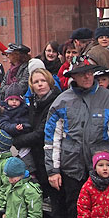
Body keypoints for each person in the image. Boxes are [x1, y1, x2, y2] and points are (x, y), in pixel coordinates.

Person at [45, 61, 109, 217]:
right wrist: (53, 171)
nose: (87, 77)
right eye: (81, 74)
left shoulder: (106, 97)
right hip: (72, 169)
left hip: (102, 167)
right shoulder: (61, 101)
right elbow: (52, 140)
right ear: (73, 76)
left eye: (89, 73)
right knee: (74, 210)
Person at [12, 67, 63, 216]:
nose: (40, 84)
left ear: (49, 83)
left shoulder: (55, 102)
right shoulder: (33, 102)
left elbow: (41, 133)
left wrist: (17, 141)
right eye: (36, 82)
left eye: (43, 81)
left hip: (52, 157)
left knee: (56, 204)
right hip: (37, 157)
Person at [0, 87, 34, 172]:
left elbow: (29, 123)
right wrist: (14, 127)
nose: (14, 102)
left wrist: (23, 127)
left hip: (22, 137)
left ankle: (30, 171)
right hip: (9, 137)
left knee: (26, 154)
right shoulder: (3, 110)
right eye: (11, 99)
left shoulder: (25, 110)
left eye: (16, 100)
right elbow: (3, 124)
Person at [77, 151, 109, 217]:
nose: (105, 168)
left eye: (108, 165)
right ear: (95, 168)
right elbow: (83, 209)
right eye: (101, 165)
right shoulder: (88, 186)